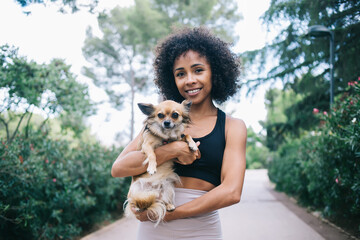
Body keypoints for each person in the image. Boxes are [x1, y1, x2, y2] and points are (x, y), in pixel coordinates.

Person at [111, 26, 247, 240]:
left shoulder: (232, 126)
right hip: (152, 232)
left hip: (202, 231)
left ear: (215, 72)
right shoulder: (158, 123)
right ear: (172, 79)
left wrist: (169, 214)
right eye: (180, 74)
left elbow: (232, 192)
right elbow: (119, 168)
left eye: (198, 70)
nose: (189, 80)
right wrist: (173, 150)